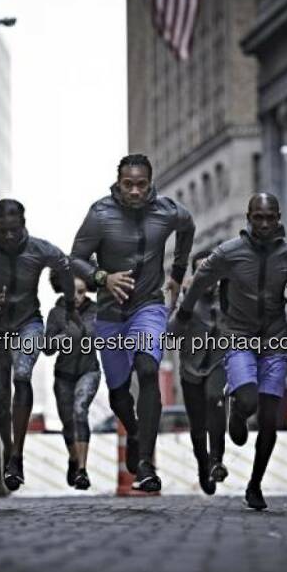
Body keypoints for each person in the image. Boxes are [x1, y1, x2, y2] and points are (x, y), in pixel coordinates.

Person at [171, 193, 287, 510]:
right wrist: (182, 315)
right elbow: (199, 281)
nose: (263, 224)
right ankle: (237, 411)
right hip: (239, 336)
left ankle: (255, 485)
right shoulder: (229, 253)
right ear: (248, 217)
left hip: (274, 340)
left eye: (270, 217)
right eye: (257, 217)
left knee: (271, 419)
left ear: (278, 218)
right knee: (247, 399)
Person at [71, 153, 195, 492]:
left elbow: (188, 228)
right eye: (129, 185)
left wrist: (177, 274)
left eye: (142, 184)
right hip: (110, 314)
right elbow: (75, 259)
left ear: (150, 183)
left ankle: (145, 463)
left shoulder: (167, 211)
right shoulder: (100, 214)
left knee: (148, 367)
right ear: (119, 184)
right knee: (118, 395)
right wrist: (102, 278)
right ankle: (136, 433)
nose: (136, 192)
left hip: (148, 306)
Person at [0, 198, 76, 491]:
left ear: (24, 223)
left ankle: (16, 455)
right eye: (4, 231)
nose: (11, 236)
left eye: (16, 229)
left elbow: (65, 265)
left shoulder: (39, 248)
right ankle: (8, 447)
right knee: (0, 404)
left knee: (23, 375)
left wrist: (70, 305)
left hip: (28, 323)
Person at [177, 249, 228, 495]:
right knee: (197, 425)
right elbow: (170, 332)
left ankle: (217, 459)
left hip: (218, 363)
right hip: (190, 368)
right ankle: (203, 464)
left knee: (215, 398)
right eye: (200, 271)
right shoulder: (186, 300)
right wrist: (182, 301)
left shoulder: (227, 297)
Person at [43, 270, 100, 490]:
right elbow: (47, 348)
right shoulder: (56, 313)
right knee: (68, 423)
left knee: (80, 410)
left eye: (81, 292)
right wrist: (62, 338)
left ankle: (83, 470)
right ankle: (73, 459)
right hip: (63, 377)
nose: (76, 296)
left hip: (89, 371)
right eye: (71, 291)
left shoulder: (96, 311)